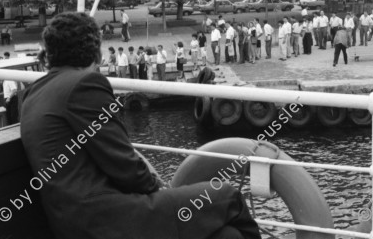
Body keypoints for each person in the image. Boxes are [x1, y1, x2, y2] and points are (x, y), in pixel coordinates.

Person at [20, 12, 260, 239]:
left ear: (50, 52)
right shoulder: (84, 85)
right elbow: (123, 164)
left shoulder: (33, 93)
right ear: (96, 53)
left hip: (70, 220)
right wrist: (161, 190)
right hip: (106, 218)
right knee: (228, 197)